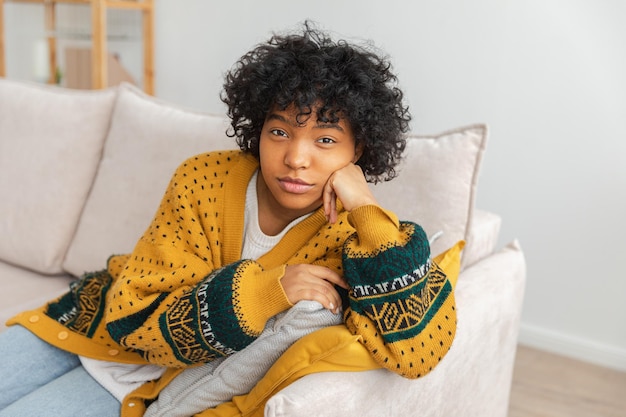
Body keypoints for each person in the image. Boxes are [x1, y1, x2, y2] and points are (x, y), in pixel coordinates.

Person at [0, 22, 457, 417]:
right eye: (279, 132)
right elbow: (129, 315)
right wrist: (269, 290)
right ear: (256, 128)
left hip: (144, 386)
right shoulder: (204, 178)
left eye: (325, 139)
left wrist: (364, 206)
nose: (295, 158)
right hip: (87, 322)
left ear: (357, 149)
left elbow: (417, 353)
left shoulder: (363, 236)